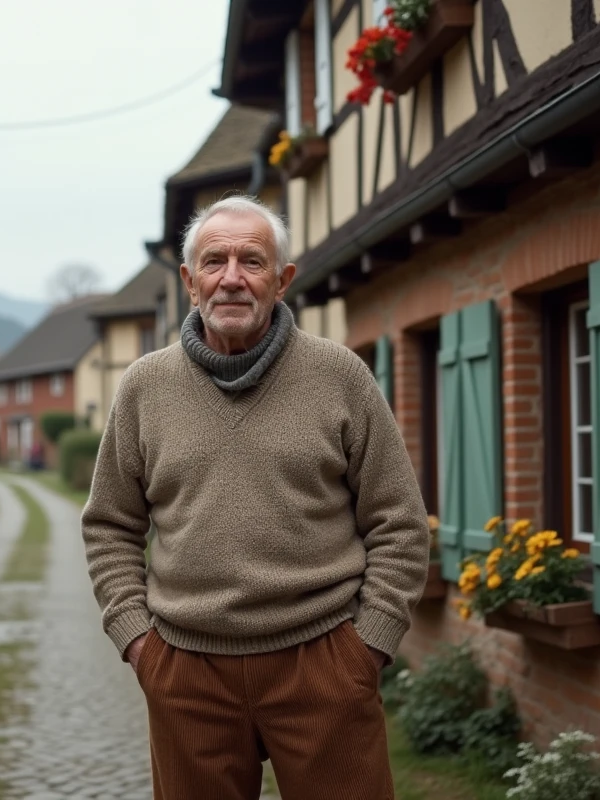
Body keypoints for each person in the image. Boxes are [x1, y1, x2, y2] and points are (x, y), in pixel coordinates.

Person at [80, 195, 430, 799]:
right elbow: (110, 524)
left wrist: (366, 647)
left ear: (282, 280)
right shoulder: (143, 388)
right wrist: (138, 641)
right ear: (190, 283)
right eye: (215, 262)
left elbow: (399, 522)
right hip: (186, 670)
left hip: (323, 663)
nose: (233, 279)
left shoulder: (341, 376)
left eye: (253, 261)